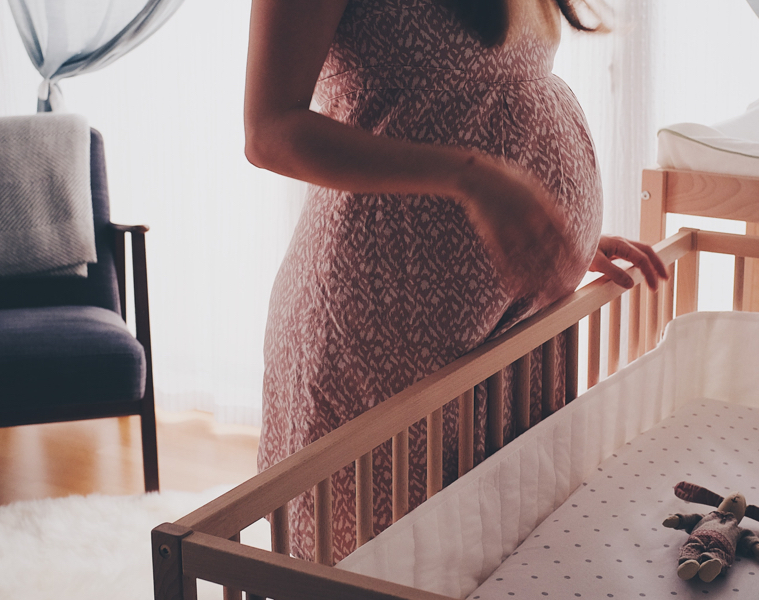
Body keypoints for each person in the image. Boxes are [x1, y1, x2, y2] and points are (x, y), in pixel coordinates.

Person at [246, 0, 668, 561]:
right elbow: (269, 131)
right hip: (382, 324)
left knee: (490, 554)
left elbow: (480, 97)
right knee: (390, 562)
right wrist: (471, 177)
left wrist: (540, 229)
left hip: (513, 325)